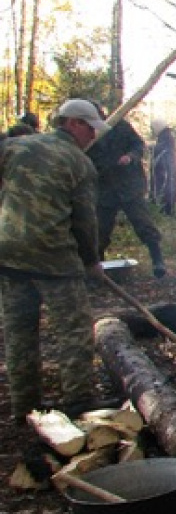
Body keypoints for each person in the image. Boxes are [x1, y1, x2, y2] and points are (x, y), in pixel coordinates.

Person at [0, 99, 117, 423]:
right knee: (74, 332)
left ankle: (24, 406)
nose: (93, 135)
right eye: (90, 128)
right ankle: (79, 401)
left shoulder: (14, 147)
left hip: (9, 255)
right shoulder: (78, 162)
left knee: (19, 333)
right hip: (54, 258)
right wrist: (91, 261)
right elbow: (84, 221)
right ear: (73, 123)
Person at [87, 107, 167, 278]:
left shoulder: (119, 126)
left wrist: (130, 157)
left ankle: (157, 261)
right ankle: (99, 269)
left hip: (129, 185)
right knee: (100, 230)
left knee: (143, 223)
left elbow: (138, 145)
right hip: (105, 188)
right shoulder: (88, 132)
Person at [149, 118, 176, 216]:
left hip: (165, 167)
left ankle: (165, 209)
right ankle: (165, 208)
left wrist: (150, 147)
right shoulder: (165, 136)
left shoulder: (166, 137)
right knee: (166, 185)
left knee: (165, 186)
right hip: (166, 166)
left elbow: (162, 149)